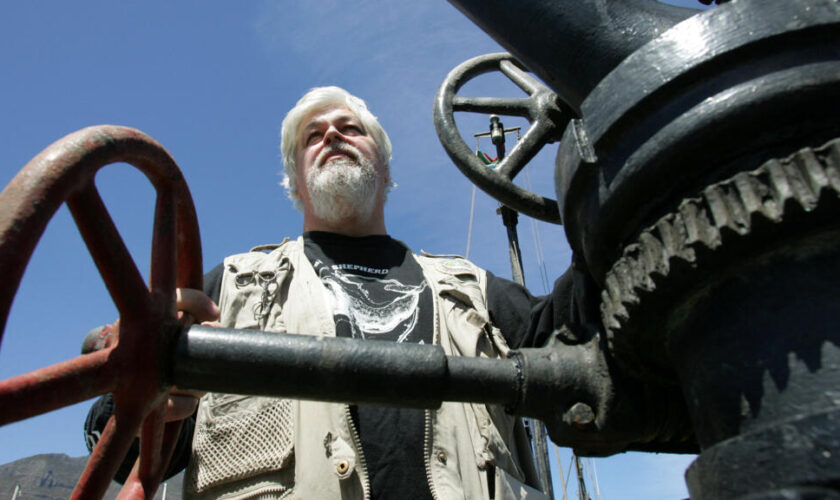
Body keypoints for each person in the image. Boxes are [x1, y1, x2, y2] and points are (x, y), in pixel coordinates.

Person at [86, 86, 564, 499]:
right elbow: (125, 455)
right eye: (312, 137)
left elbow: (580, 344)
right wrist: (146, 396)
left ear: (385, 168)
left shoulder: (473, 290)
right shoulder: (227, 289)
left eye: (350, 129)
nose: (331, 136)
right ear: (295, 181)